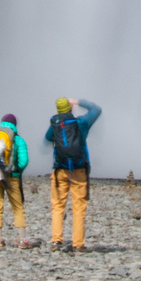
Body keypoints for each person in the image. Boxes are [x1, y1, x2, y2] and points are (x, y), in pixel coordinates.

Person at [45, 97, 100, 252]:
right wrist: (78, 102)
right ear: (69, 108)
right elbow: (97, 110)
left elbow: (48, 139)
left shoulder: (55, 125)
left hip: (59, 169)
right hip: (79, 169)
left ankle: (56, 240)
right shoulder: (81, 123)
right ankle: (78, 244)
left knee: (57, 206)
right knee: (79, 207)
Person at [0, 115, 36, 248]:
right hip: (12, 177)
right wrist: (15, 170)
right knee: (17, 207)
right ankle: (22, 240)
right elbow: (24, 160)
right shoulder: (18, 140)